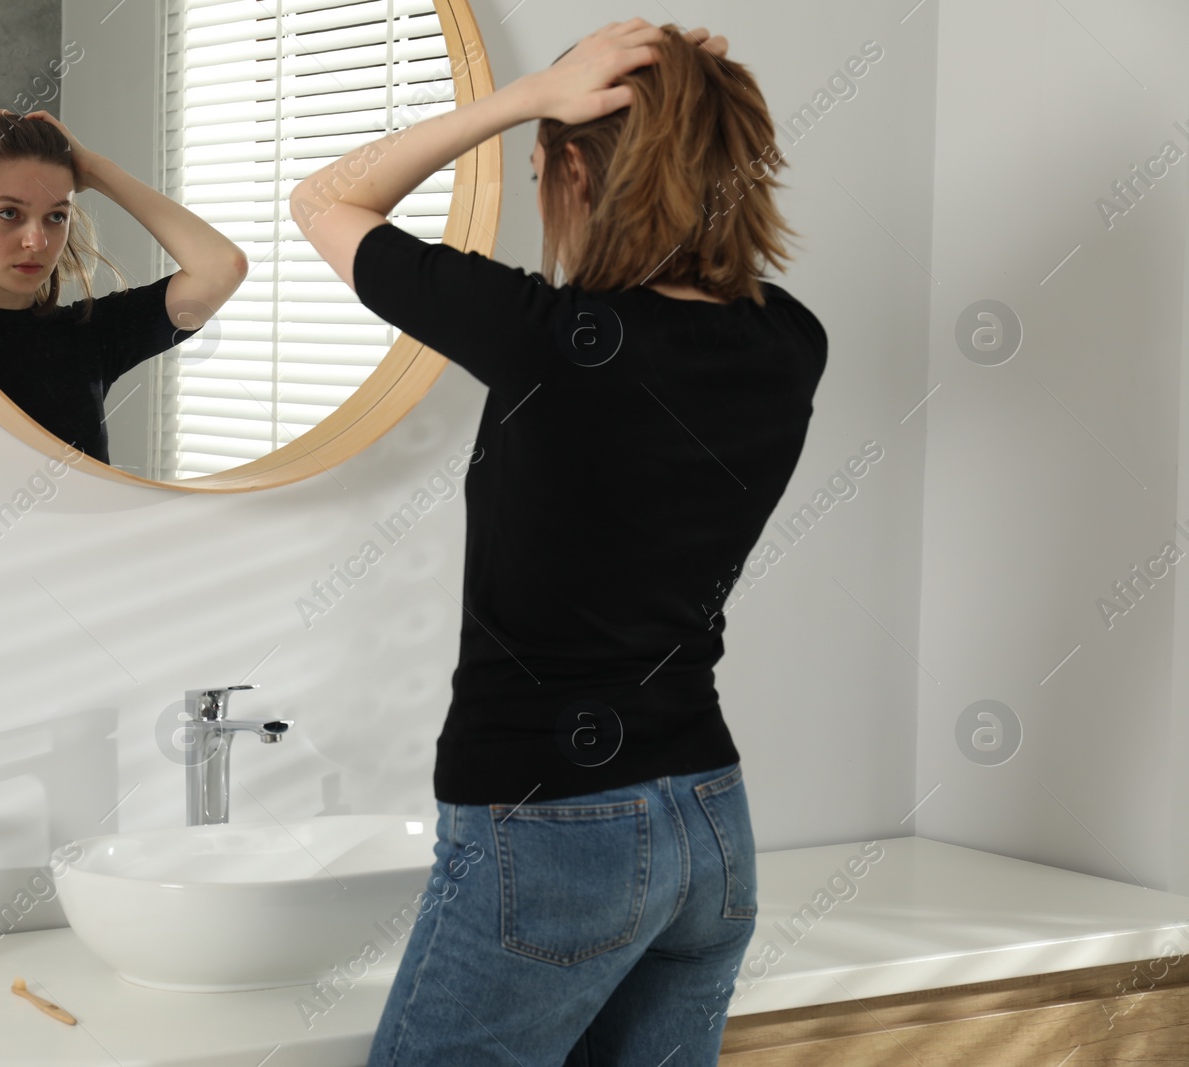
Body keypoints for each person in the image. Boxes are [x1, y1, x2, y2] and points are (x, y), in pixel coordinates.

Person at [291, 20, 828, 1066]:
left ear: (573, 166)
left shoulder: (546, 338)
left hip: (554, 825)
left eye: (540, 163)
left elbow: (324, 199)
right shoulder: (788, 339)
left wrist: (525, 95)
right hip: (707, 823)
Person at [0, 110, 246, 467]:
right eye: (9, 213)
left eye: (56, 216)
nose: (37, 240)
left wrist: (97, 171)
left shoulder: (90, 334)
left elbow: (221, 268)